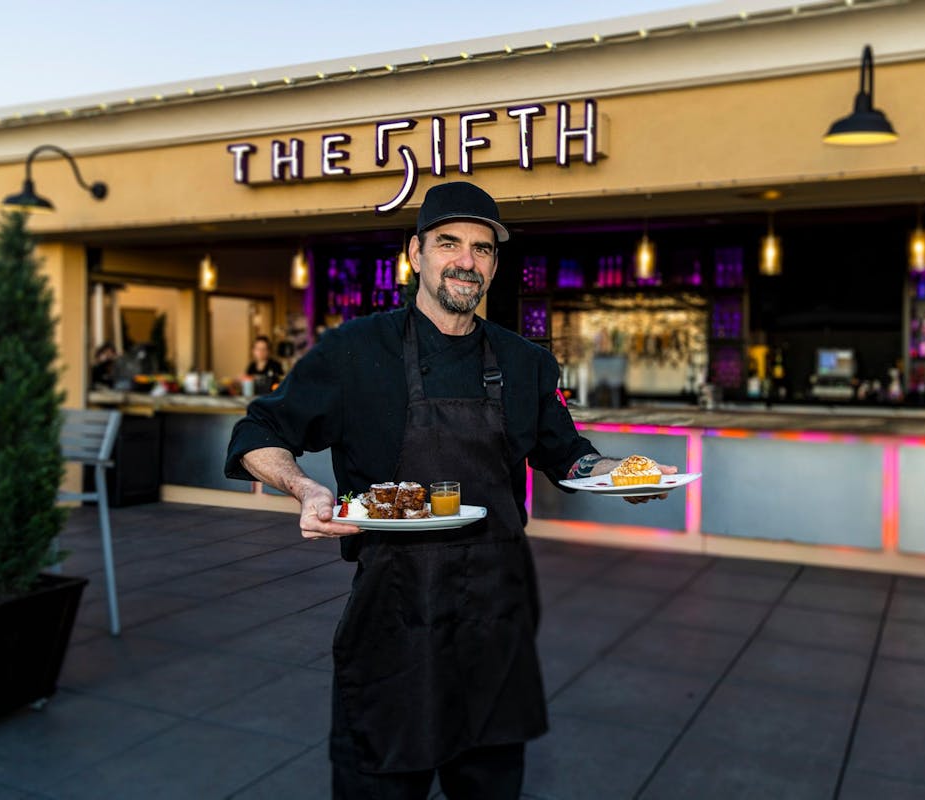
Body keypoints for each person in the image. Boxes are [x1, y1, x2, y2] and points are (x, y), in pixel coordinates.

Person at [224, 181, 674, 800]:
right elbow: (259, 430)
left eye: (483, 249)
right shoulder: (355, 352)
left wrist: (626, 476)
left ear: (494, 262)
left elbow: (570, 457)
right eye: (449, 243)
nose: (467, 260)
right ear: (416, 254)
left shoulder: (526, 362)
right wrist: (303, 487)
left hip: (496, 621)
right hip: (393, 619)